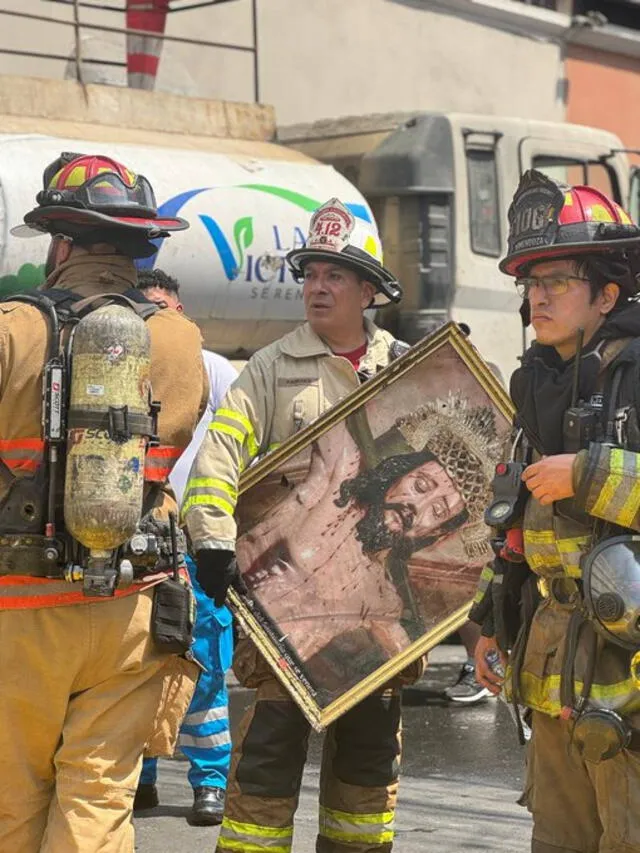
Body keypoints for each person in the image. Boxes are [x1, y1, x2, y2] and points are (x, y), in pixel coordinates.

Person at [184, 197, 420, 853]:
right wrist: (212, 539)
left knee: (367, 778)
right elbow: (218, 457)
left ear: (368, 289)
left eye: (334, 275)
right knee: (266, 764)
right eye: (310, 273)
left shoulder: (405, 369)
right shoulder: (269, 369)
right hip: (286, 608)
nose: (316, 286)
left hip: (374, 611)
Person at [0, 153, 208, 851]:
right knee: (98, 799)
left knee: (12, 800)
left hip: (18, 611)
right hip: (129, 608)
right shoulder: (179, 340)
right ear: (136, 245)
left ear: (59, 243)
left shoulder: (10, 328)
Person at [471, 169, 640, 853]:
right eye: (530, 283)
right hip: (557, 664)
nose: (537, 296)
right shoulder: (536, 381)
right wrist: (490, 620)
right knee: (559, 840)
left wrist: (592, 473)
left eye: (557, 281)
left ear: (607, 292)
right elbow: (515, 517)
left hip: (629, 677)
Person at [134, 268, 237, 826]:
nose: (159, 320)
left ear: (182, 312)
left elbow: (244, 444)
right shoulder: (120, 368)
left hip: (196, 544)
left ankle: (210, 781)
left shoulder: (213, 370)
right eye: (147, 309)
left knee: (205, 661)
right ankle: (142, 776)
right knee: (137, 662)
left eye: (167, 309)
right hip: (136, 542)